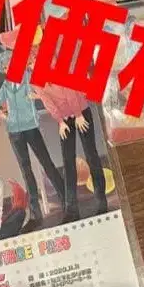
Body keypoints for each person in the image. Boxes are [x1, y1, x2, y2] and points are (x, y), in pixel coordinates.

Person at [0, 50, 65, 223]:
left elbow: (47, 91)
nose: (9, 69)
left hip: (31, 127)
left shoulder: (28, 78)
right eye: (6, 67)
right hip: (15, 132)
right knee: (26, 170)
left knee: (47, 163)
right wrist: (5, 116)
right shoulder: (6, 86)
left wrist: (36, 96)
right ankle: (35, 213)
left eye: (11, 64)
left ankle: (66, 200)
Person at [32, 84, 107, 222]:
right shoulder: (35, 82)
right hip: (65, 119)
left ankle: (101, 201)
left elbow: (70, 91)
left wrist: (78, 114)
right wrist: (60, 122)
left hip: (81, 111)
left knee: (91, 155)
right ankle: (71, 210)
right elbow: (48, 103)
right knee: (68, 162)